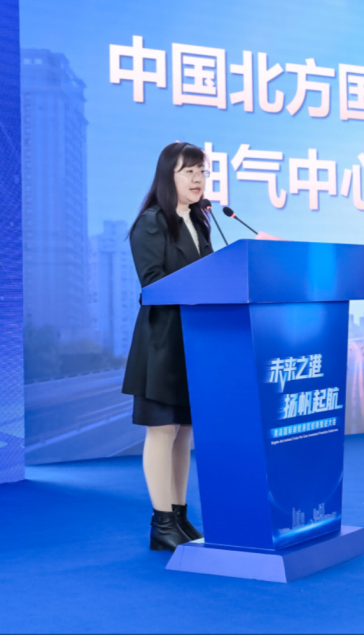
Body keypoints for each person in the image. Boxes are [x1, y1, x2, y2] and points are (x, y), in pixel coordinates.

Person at [123, 141, 213, 551]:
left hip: (194, 342)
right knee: (162, 431)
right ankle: (161, 523)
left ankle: (178, 515)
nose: (197, 179)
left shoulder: (199, 221)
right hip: (162, 343)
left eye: (202, 171)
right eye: (188, 171)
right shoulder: (152, 222)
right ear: (167, 176)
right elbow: (153, 283)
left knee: (184, 433)